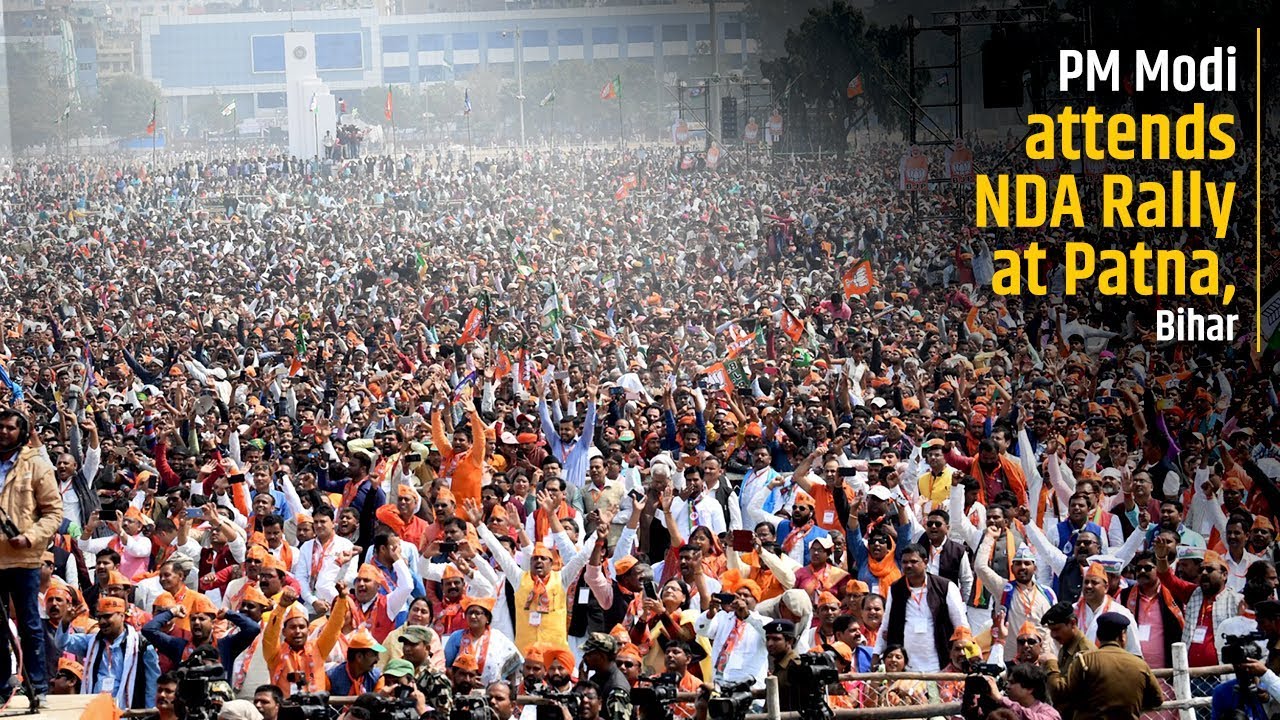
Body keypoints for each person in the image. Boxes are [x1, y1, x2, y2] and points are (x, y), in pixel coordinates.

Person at [0, 408, 63, 701]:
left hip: (23, 558)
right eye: (0, 427)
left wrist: (30, 537)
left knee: (29, 623)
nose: (3, 432)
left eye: (11, 428)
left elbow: (54, 512)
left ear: (23, 433)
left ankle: (38, 686)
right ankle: (3, 685)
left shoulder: (37, 464)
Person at [873, 543, 969, 671]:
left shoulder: (945, 587)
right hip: (906, 666)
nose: (908, 566)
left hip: (940, 664)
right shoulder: (896, 588)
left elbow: (961, 625)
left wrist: (967, 654)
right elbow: (886, 624)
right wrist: (875, 654)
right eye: (904, 562)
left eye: (913, 561)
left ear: (925, 562)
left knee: (934, 691)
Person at [60, 596, 162, 709]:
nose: (102, 621)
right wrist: (65, 622)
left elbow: (152, 686)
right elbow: (62, 643)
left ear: (122, 616)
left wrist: (149, 713)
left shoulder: (141, 646)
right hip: (97, 710)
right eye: (99, 617)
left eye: (107, 616)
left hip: (128, 712)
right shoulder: (92, 642)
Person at [1057, 613, 1163, 720]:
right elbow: (1157, 699)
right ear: (1122, 636)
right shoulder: (1139, 665)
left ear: (1098, 636)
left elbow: (1068, 695)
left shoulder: (1084, 661)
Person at [976, 664, 1062, 720]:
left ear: (1030, 688)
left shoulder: (1048, 712)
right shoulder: (1004, 708)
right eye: (1008, 682)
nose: (1007, 686)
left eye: (1012, 683)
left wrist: (1001, 699)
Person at [764, 619, 801, 711]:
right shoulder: (779, 664)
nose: (770, 644)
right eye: (768, 639)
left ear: (790, 642)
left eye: (776, 639)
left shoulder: (796, 667)